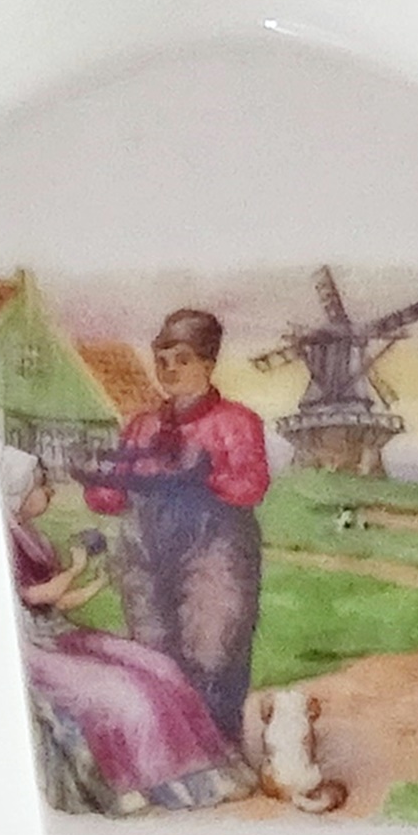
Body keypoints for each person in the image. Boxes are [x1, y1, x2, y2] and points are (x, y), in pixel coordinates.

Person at [1, 445, 253, 815]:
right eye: (40, 485)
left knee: (160, 669)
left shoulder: (34, 538)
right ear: (16, 493)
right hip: (35, 645)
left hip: (59, 631)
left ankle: (202, 773)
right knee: (124, 694)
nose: (49, 491)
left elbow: (58, 603)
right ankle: (150, 784)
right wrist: (76, 568)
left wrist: (98, 582)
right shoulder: (6, 542)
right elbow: (35, 596)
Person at [78, 309, 270, 744]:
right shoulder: (142, 427)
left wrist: (204, 472)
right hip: (146, 555)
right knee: (152, 655)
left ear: (208, 363)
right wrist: (95, 481)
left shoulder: (235, 422)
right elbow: (113, 496)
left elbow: (252, 486)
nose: (169, 370)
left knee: (212, 652)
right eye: (162, 360)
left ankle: (219, 751)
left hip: (215, 552)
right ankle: (170, 754)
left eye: (182, 359)